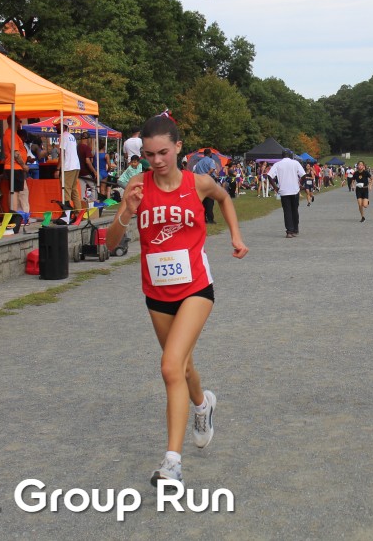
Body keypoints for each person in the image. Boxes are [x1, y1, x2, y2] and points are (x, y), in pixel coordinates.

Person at [105, 114, 248, 486]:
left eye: (163, 152)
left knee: (170, 366)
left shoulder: (198, 183)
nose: (156, 161)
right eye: (149, 154)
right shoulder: (137, 186)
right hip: (157, 293)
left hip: (196, 288)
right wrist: (127, 211)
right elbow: (109, 243)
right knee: (182, 367)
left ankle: (172, 463)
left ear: (178, 148)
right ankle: (202, 404)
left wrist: (235, 235)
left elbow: (224, 198)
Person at [268, 151, 306, 238]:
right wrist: (300, 184)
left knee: (287, 211)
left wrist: (275, 187)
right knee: (295, 210)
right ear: (290, 155)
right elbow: (304, 175)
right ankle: (295, 229)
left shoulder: (277, 164)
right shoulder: (295, 163)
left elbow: (269, 176)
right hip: (294, 190)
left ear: (282, 156)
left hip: (284, 191)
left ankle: (289, 231)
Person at [1, 123, 31, 222]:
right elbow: (16, 154)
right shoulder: (11, 135)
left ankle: (20, 215)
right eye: (19, 122)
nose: (20, 124)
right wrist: (23, 165)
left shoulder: (10, 134)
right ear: (15, 122)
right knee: (16, 192)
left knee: (17, 191)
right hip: (16, 167)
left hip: (15, 167)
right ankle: (16, 216)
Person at [190, 149, 218, 224]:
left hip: (200, 182)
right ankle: (210, 219)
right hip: (209, 181)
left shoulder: (199, 162)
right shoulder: (211, 161)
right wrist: (206, 175)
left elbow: (195, 172)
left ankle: (203, 218)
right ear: (209, 153)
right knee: (210, 201)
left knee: (202, 201)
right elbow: (212, 169)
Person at [60, 124, 82, 210]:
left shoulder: (63, 136)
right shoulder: (71, 136)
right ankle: (78, 211)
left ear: (63, 126)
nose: (56, 128)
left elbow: (62, 153)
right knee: (74, 189)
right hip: (76, 165)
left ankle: (67, 213)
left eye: (57, 126)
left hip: (68, 166)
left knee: (66, 189)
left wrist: (58, 168)